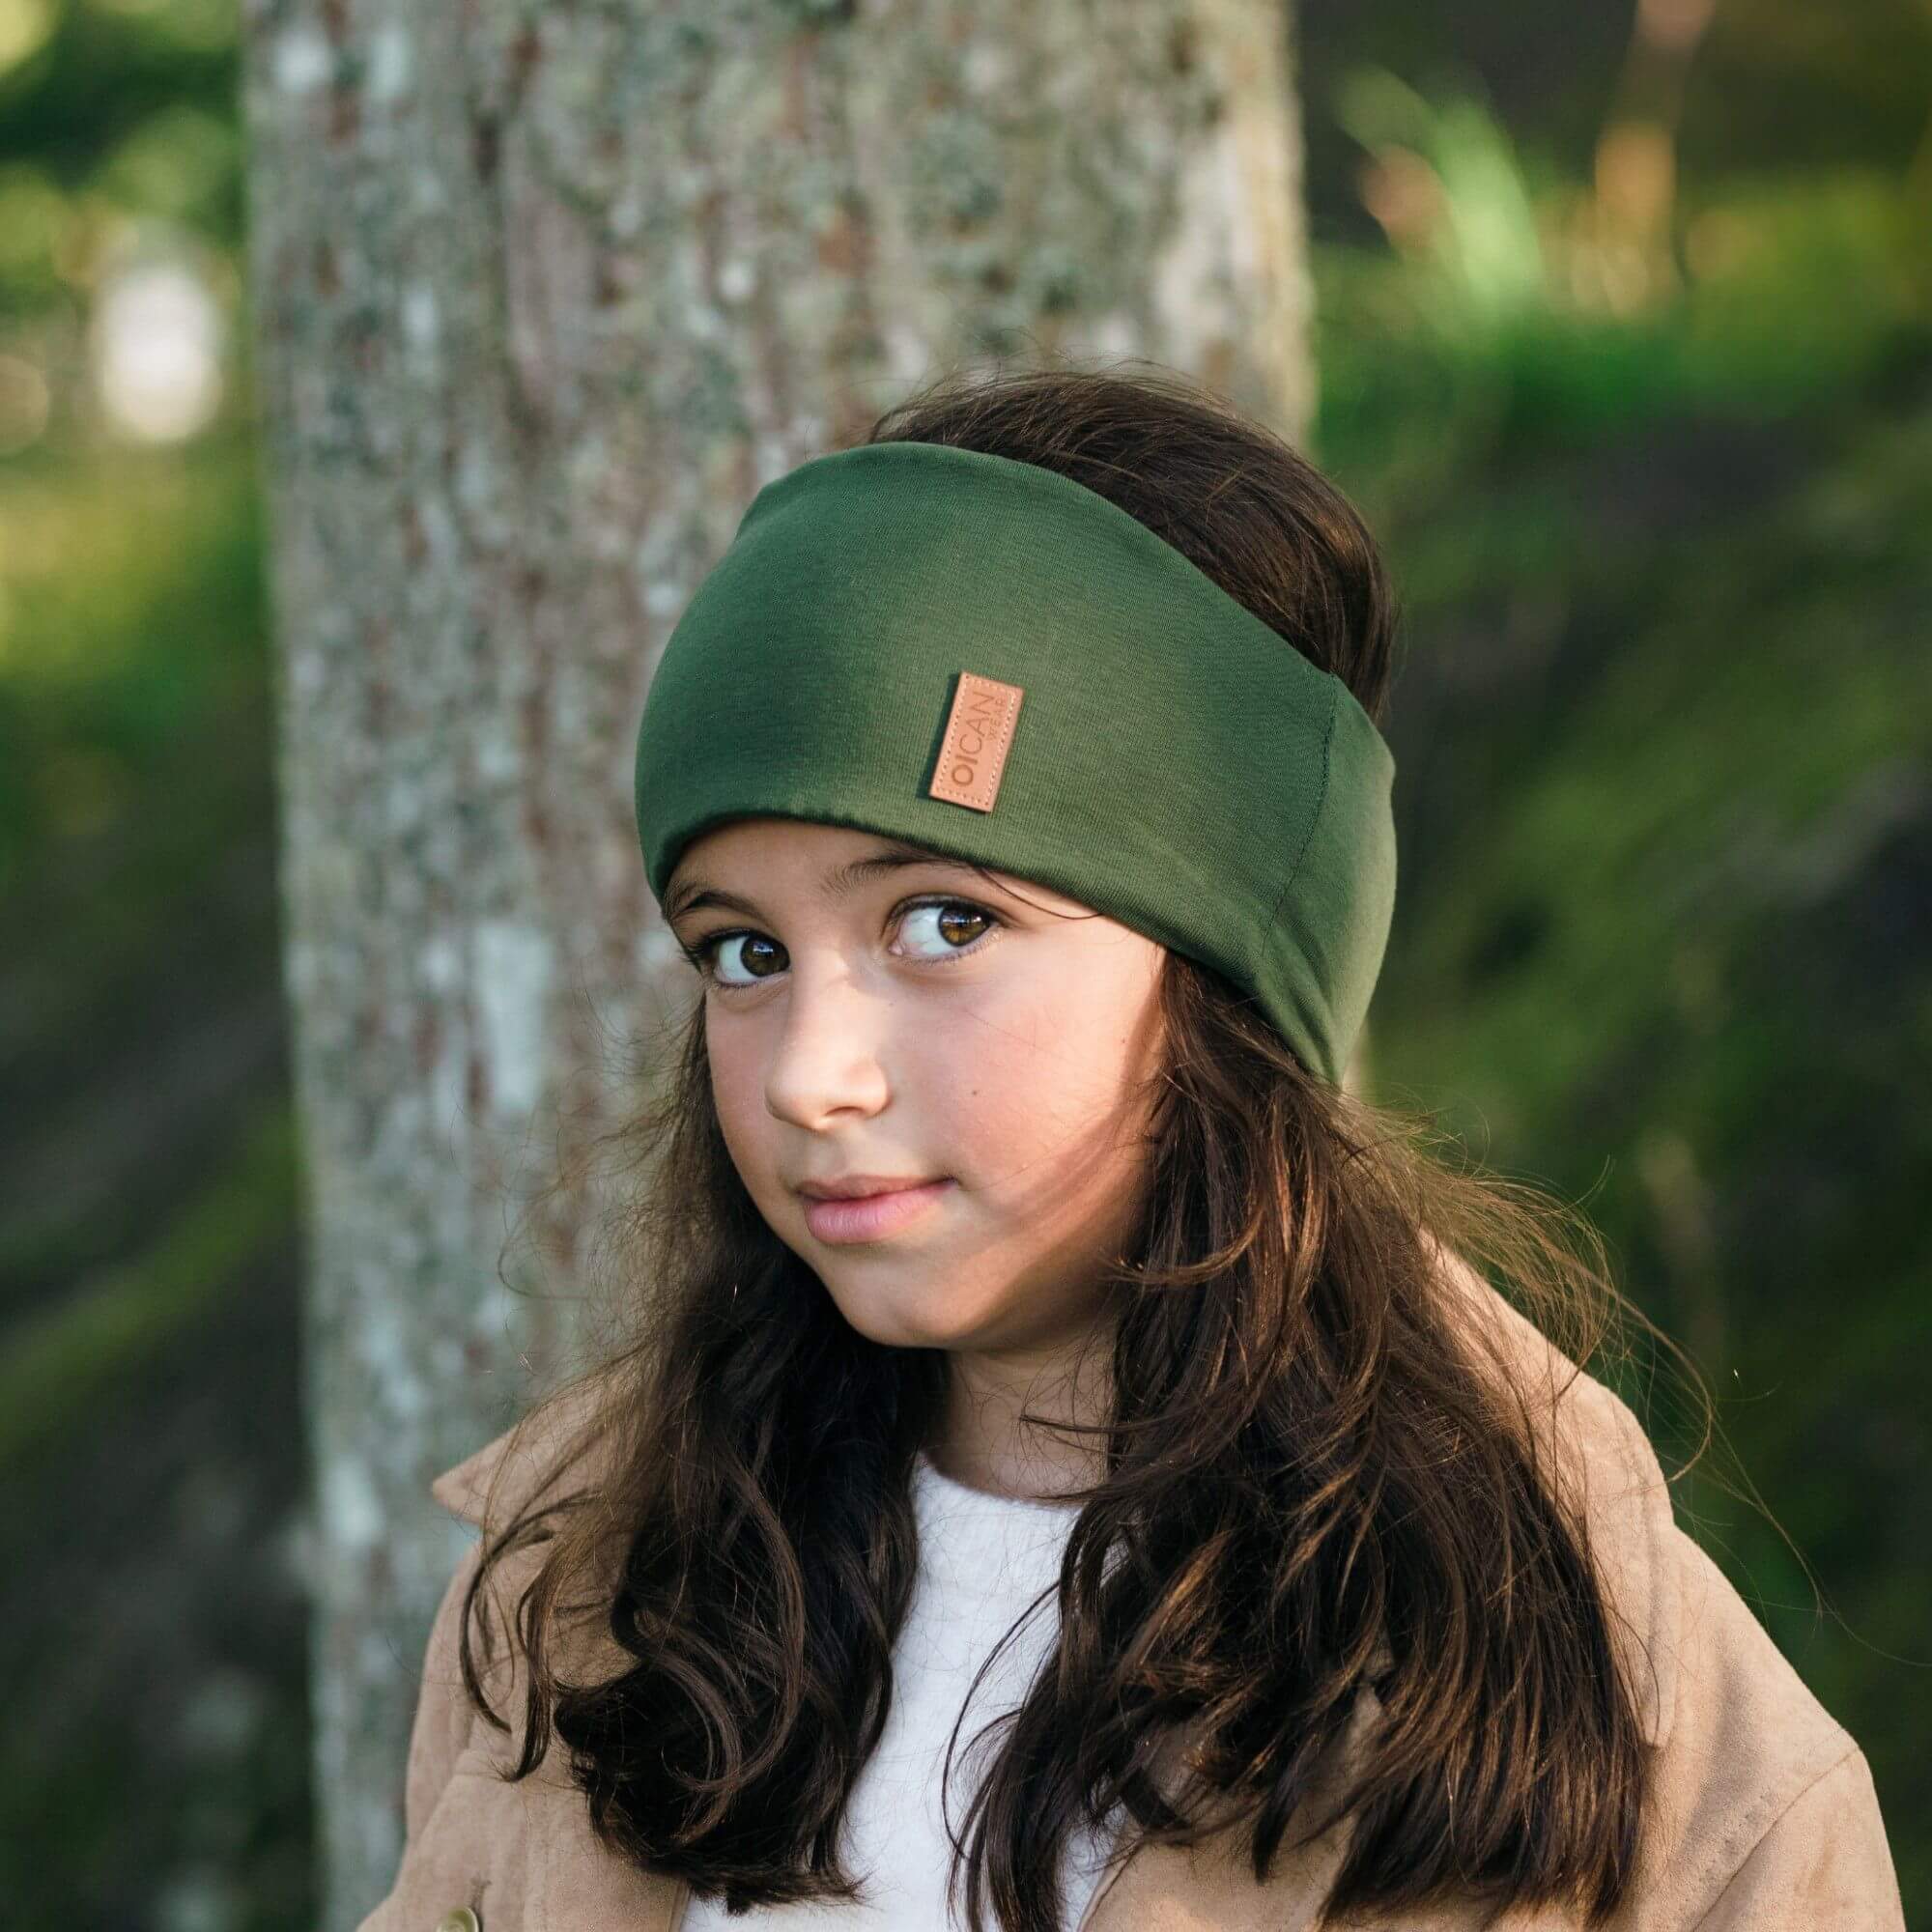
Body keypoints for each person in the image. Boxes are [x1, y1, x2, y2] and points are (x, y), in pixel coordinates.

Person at [356, 362, 1906, 1932]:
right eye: (743, 953)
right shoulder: (581, 1598)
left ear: (1228, 982)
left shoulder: (1612, 1715)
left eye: (944, 923)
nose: (810, 1077)